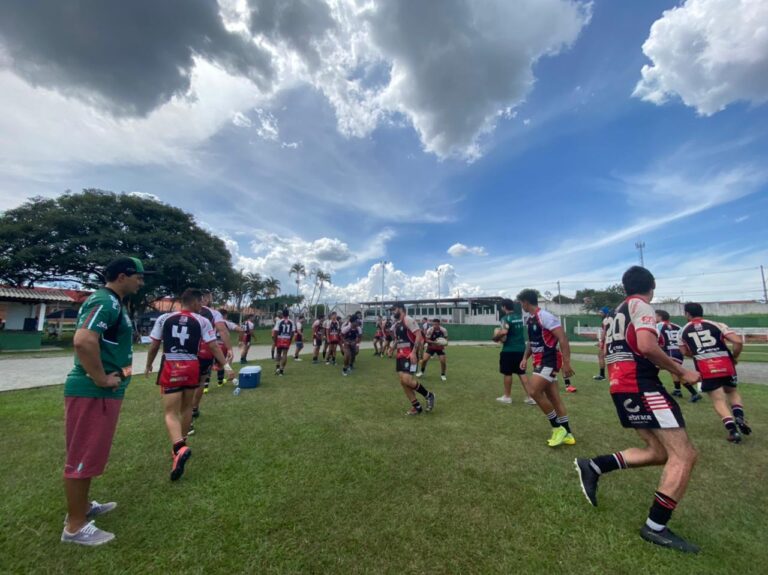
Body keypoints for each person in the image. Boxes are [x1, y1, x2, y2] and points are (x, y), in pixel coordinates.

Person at [574, 266, 701, 553]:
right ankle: (655, 527)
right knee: (685, 455)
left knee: (658, 452)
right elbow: (646, 345)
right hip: (641, 384)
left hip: (620, 384)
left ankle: (594, 466)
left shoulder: (618, 310)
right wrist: (682, 371)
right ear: (652, 287)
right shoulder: (641, 304)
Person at [61, 256, 148, 546]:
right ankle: (75, 526)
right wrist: (100, 378)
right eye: (139, 276)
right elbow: (83, 340)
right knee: (83, 454)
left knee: (91, 452)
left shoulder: (115, 304)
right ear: (122, 276)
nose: (142, 282)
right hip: (92, 391)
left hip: (103, 393)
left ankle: (83, 508)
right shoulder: (106, 302)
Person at [144, 289, 233, 481]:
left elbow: (154, 345)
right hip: (192, 365)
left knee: (170, 412)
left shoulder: (164, 318)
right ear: (194, 302)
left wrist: (149, 363)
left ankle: (178, 447)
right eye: (200, 302)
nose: (202, 306)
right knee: (186, 409)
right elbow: (213, 345)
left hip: (171, 365)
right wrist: (225, 365)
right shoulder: (202, 321)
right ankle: (181, 445)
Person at [678, 303, 750, 443]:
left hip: (705, 366)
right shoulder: (716, 324)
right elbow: (737, 341)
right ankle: (739, 417)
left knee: (718, 399)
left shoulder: (683, 331)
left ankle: (732, 430)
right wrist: (734, 356)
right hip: (725, 363)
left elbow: (684, 351)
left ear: (687, 314)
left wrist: (697, 355)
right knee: (732, 392)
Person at [518, 289, 576, 446]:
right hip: (539, 361)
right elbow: (531, 342)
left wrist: (567, 362)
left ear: (526, 302)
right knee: (554, 398)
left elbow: (562, 338)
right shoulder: (530, 319)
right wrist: (525, 358)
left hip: (549, 360)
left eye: (520, 302)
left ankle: (558, 429)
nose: (520, 305)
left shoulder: (545, 316)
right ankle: (568, 433)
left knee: (533, 391)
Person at [190, 294, 231, 426]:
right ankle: (193, 409)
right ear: (204, 299)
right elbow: (223, 331)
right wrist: (229, 348)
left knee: (188, 383)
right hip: (205, 350)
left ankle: (188, 409)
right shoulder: (214, 314)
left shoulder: (183, 311)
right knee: (200, 381)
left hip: (187, 351)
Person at [391, 303, 435, 415]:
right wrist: (392, 347)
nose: (392, 312)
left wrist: (414, 353)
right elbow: (398, 339)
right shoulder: (397, 324)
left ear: (401, 309)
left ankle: (429, 395)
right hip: (400, 355)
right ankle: (416, 407)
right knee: (403, 382)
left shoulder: (408, 320)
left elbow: (419, 336)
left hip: (410, 355)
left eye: (394, 309)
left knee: (407, 380)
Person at [493, 299, 535, 405]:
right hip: (521, 349)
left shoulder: (505, 318)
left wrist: (495, 337)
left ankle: (507, 397)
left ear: (504, 307)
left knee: (507, 373)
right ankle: (531, 397)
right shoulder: (519, 318)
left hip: (509, 350)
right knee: (522, 373)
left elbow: (504, 332)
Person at [656, 309, 701, 402]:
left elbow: (655, 338)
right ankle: (677, 390)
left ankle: (694, 393)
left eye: (655, 316)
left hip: (669, 351)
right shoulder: (678, 326)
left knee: (673, 371)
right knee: (674, 371)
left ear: (660, 317)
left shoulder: (657, 326)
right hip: (678, 351)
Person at [273, 309, 295, 376]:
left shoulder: (279, 321)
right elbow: (292, 332)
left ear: (282, 314)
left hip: (280, 338)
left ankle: (277, 367)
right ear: (288, 314)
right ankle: (281, 370)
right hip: (287, 338)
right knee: (285, 354)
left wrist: (275, 340)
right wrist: (290, 340)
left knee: (278, 352)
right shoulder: (291, 322)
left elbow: (276, 331)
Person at [593, 306, 612, 381]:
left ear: (605, 313)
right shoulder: (612, 319)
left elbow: (604, 332)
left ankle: (602, 375)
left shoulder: (605, 320)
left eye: (601, 312)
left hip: (607, 340)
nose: (599, 314)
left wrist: (601, 341)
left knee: (600, 356)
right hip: (612, 340)